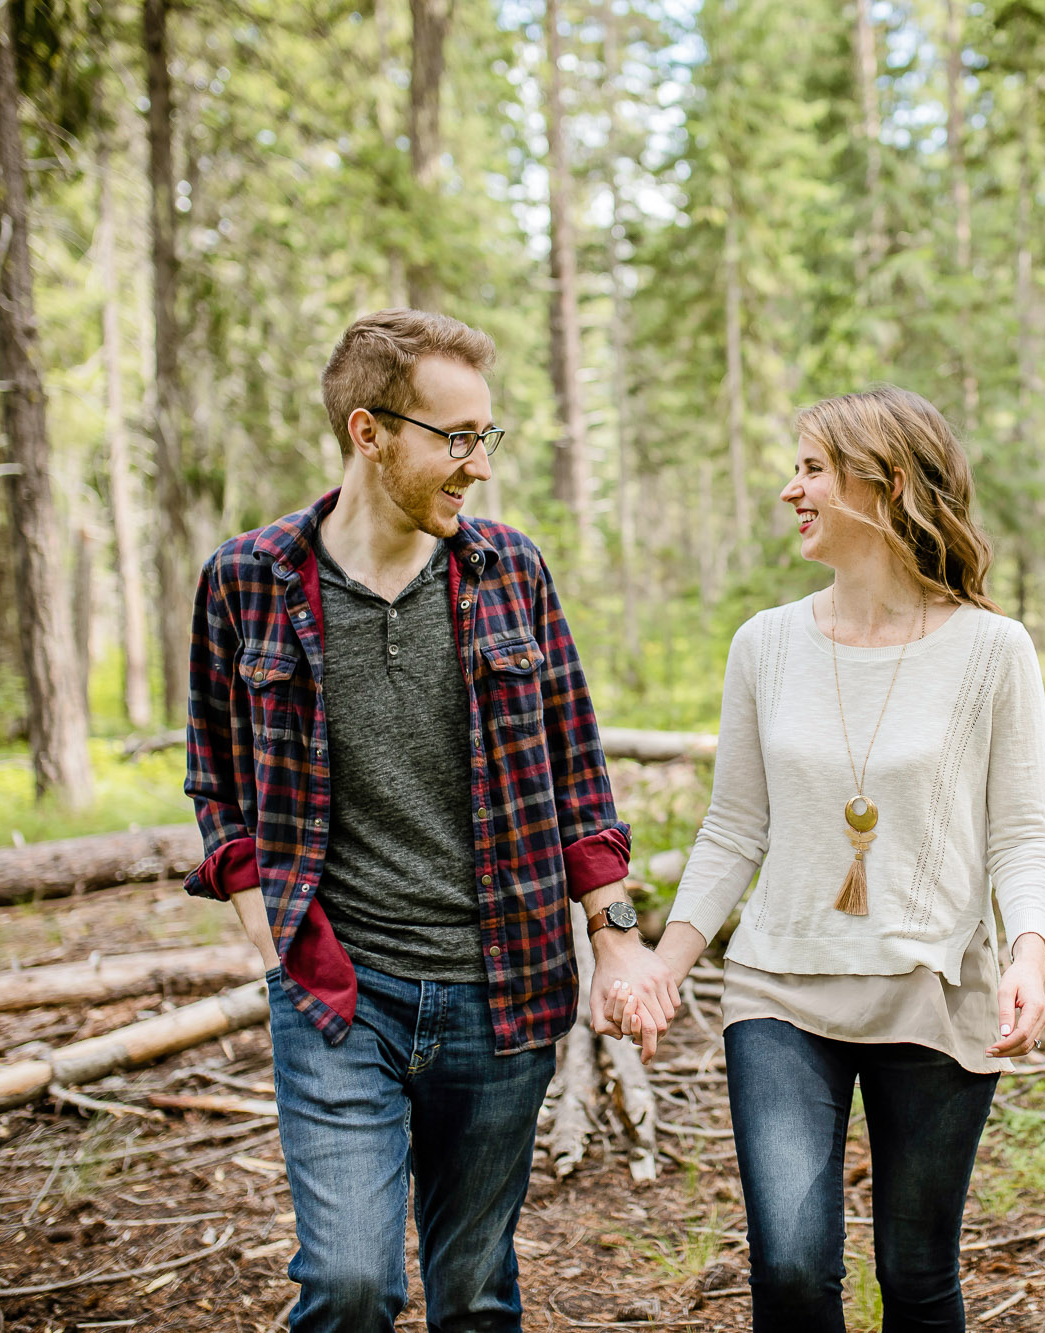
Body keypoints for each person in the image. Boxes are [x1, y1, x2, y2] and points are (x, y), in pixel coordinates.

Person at [182, 308, 678, 1332]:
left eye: (483, 438)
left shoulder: (512, 572)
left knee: (473, 1293)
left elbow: (578, 775)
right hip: (336, 994)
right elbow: (215, 774)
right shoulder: (248, 580)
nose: (477, 466)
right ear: (369, 433)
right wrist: (262, 923)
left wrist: (617, 940)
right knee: (351, 1286)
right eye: (456, 439)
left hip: (501, 990)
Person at [650, 385, 1045, 1331]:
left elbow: (1021, 832)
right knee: (792, 1268)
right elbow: (732, 825)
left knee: (916, 1272)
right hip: (780, 991)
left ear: (885, 485)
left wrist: (1028, 956)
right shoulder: (765, 643)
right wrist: (667, 965)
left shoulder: (994, 650)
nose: (789, 490)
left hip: (933, 988)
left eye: (811, 469)